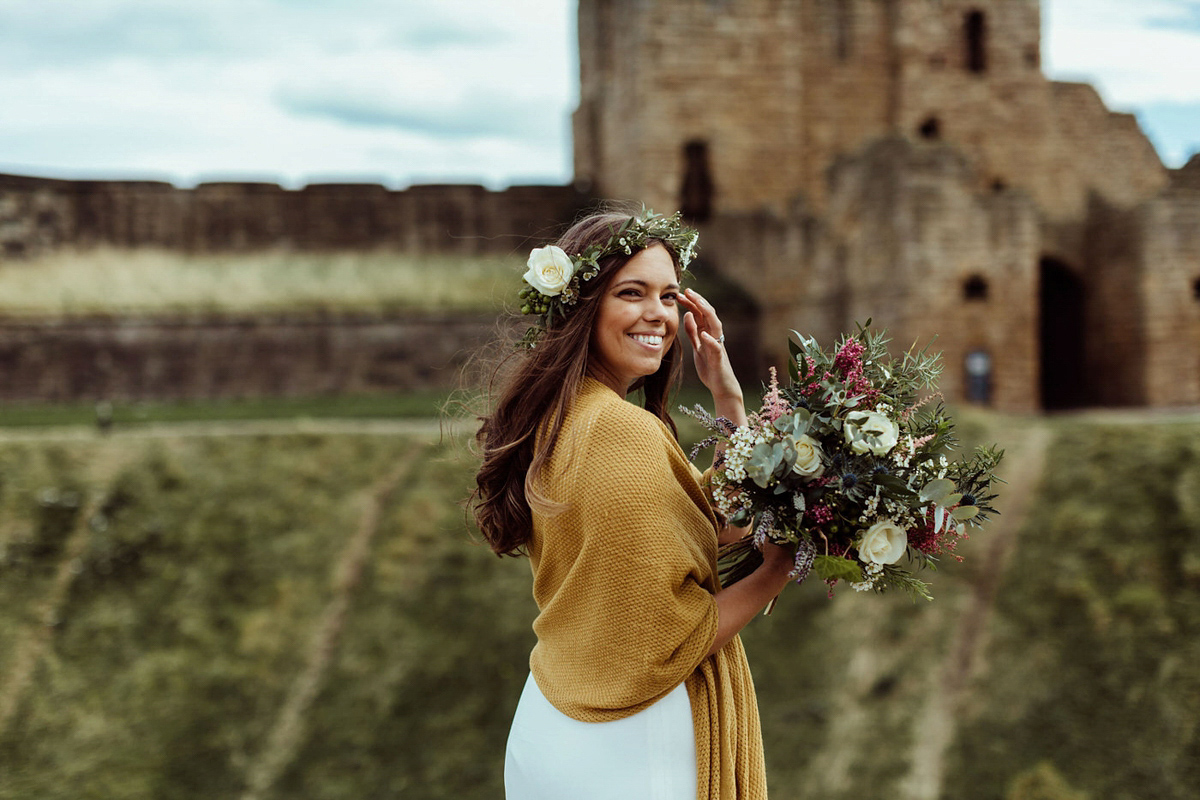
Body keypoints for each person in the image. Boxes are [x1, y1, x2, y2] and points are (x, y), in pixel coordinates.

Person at [471, 208, 793, 800]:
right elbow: (662, 637)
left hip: (560, 718)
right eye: (632, 292)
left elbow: (708, 521)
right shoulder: (623, 431)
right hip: (632, 742)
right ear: (583, 305)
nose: (659, 314)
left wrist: (726, 396)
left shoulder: (565, 417)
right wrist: (778, 569)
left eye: (670, 296)